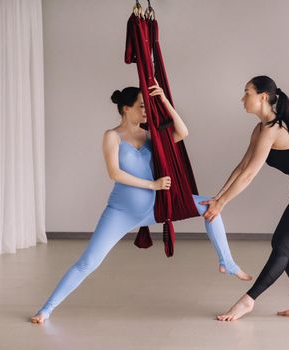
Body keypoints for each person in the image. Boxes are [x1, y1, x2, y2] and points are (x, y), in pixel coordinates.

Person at [31, 85, 251, 324]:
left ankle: (226, 262)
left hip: (154, 209)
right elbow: (114, 173)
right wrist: (153, 185)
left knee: (211, 205)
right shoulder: (111, 136)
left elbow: (182, 132)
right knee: (87, 263)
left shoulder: (150, 136)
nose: (147, 110)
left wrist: (164, 100)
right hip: (120, 213)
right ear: (126, 109)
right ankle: (46, 309)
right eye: (142, 106)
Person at [200, 76, 289, 321]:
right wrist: (217, 197)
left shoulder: (274, 128)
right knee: (282, 244)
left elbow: (250, 174)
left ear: (263, 96)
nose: (243, 98)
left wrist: (222, 204)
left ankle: (247, 301)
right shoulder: (260, 129)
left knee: (282, 245)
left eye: (247, 93)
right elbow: (242, 167)